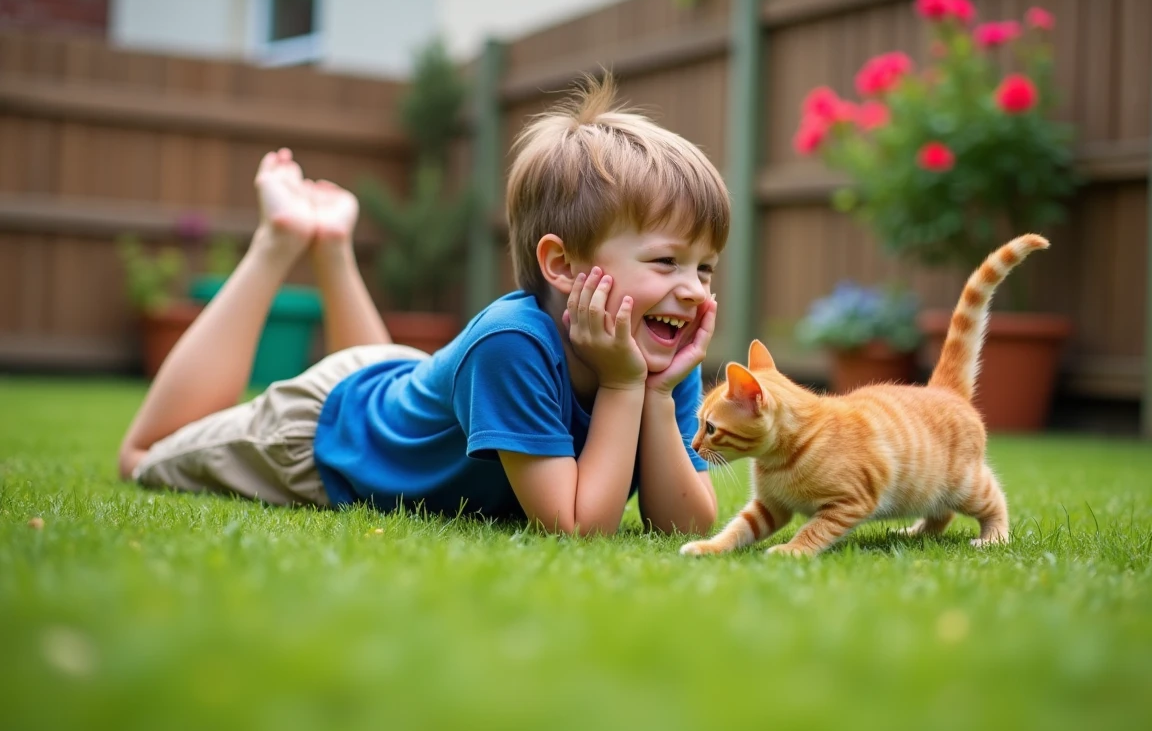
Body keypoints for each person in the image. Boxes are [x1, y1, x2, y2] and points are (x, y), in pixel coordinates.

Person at [118, 75, 730, 536]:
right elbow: (576, 526)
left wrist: (650, 392)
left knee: (383, 367)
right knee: (139, 459)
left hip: (401, 378)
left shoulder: (653, 356)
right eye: (666, 261)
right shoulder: (512, 343)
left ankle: (332, 244)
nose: (695, 290)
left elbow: (687, 525)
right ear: (563, 266)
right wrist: (627, 387)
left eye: (705, 268)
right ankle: (279, 240)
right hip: (323, 435)